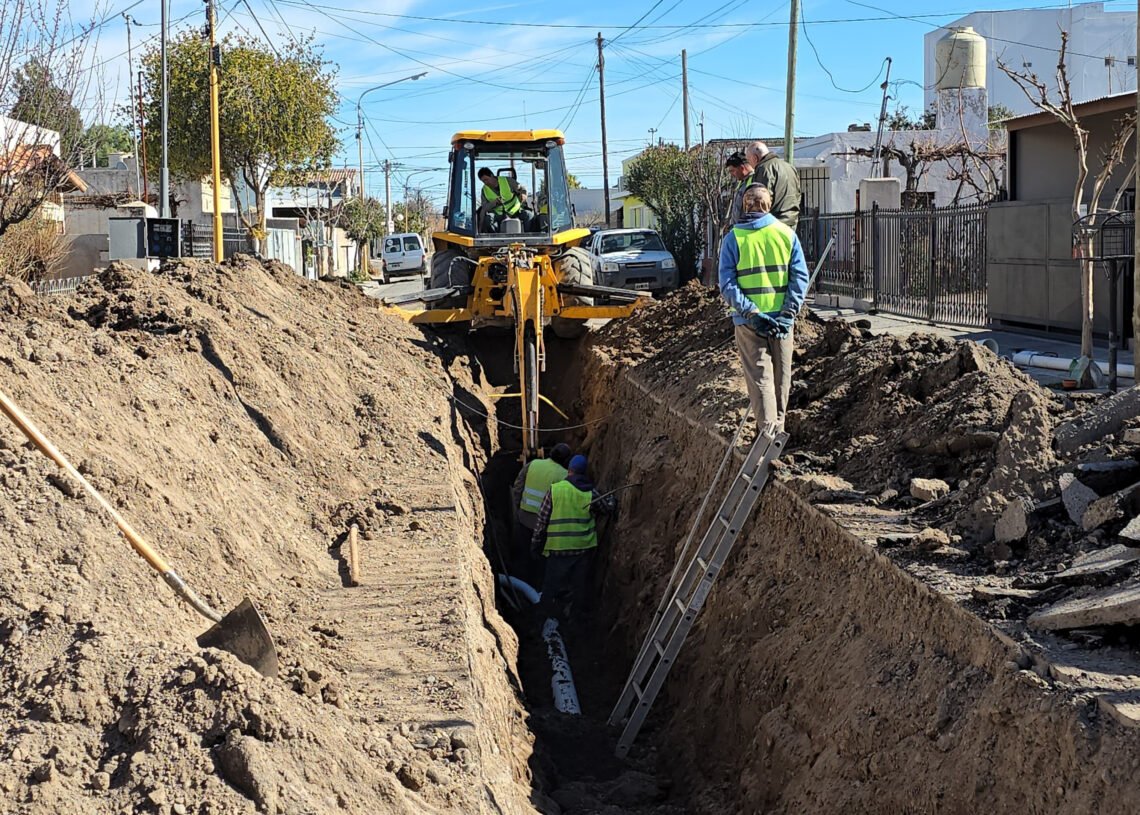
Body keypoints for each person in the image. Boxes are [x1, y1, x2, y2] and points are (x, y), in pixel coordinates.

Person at [719, 184, 810, 435]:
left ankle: (769, 435)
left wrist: (751, 312)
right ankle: (776, 432)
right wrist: (788, 313)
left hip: (750, 323)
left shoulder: (733, 239)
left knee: (761, 379)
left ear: (744, 205)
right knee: (782, 380)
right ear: (769, 205)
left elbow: (727, 284)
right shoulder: (786, 234)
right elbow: (800, 277)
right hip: (782, 322)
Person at [531, 454, 616, 621]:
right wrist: (612, 500)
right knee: (579, 588)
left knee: (550, 587)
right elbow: (607, 508)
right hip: (582, 550)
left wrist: (536, 544)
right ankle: (574, 623)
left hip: (558, 550)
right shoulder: (590, 493)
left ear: (569, 470)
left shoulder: (556, 490)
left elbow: (542, 520)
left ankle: (540, 621)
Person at [510, 443, 572, 582]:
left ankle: (518, 584)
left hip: (524, 518)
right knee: (540, 560)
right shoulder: (564, 475)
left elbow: (517, 488)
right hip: (546, 525)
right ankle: (536, 588)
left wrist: (518, 510)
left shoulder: (533, 464)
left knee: (522, 555)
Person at [746, 141, 801, 229]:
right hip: (792, 222)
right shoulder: (790, 167)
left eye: (749, 160)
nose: (750, 165)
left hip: (773, 224)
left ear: (755, 158)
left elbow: (761, 200)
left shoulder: (763, 169)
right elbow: (797, 195)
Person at [478, 167, 529, 232]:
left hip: (515, 210)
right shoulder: (484, 190)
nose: (485, 182)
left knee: (528, 215)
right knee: (488, 219)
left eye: (486, 179)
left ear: (491, 175)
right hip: (498, 214)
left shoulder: (508, 181)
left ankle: (528, 236)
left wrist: (523, 194)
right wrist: (494, 203)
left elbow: (521, 188)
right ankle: (495, 238)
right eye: (483, 181)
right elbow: (485, 207)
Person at [723, 151, 756, 231]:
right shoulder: (742, 182)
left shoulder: (754, 182)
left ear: (742, 168)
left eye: (733, 171)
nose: (732, 174)